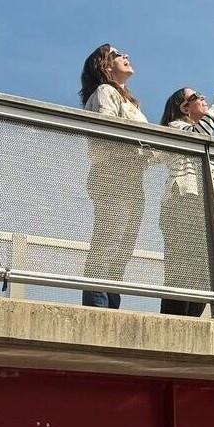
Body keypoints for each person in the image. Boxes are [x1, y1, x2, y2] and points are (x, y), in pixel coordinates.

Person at [80, 44, 148, 309]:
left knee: (122, 247)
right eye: (119, 55)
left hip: (131, 175)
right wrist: (143, 151)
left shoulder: (127, 100)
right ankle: (98, 309)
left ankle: (110, 305)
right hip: (113, 171)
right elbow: (108, 131)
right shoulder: (105, 91)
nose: (126, 56)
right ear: (106, 65)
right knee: (109, 241)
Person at [158, 82, 214, 317]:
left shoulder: (201, 131)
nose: (203, 99)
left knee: (204, 270)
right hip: (183, 202)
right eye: (197, 96)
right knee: (181, 267)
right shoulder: (176, 126)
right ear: (184, 107)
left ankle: (191, 320)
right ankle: (174, 323)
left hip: (205, 207)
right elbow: (198, 135)